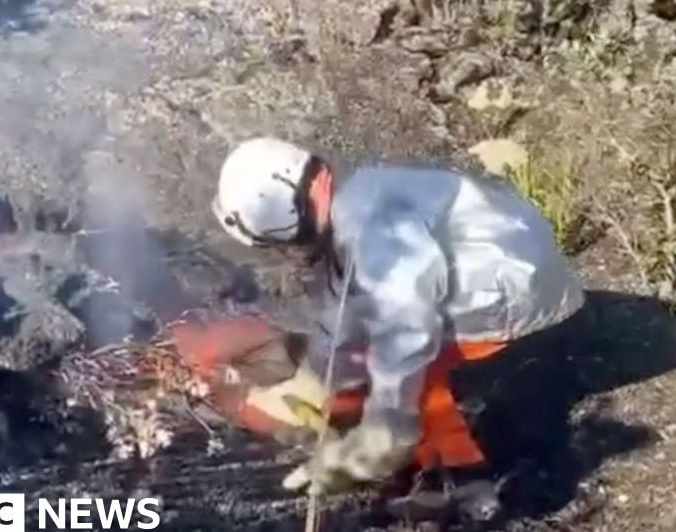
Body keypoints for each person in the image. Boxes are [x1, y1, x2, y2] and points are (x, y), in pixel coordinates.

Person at [210, 136, 585, 497]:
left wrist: (371, 448)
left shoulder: (375, 238)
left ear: (284, 221)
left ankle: (457, 471)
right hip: (516, 252)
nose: (285, 252)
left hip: (526, 302)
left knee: (395, 366)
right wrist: (312, 381)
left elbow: (405, 337)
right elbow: (346, 302)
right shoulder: (358, 196)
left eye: (276, 243)